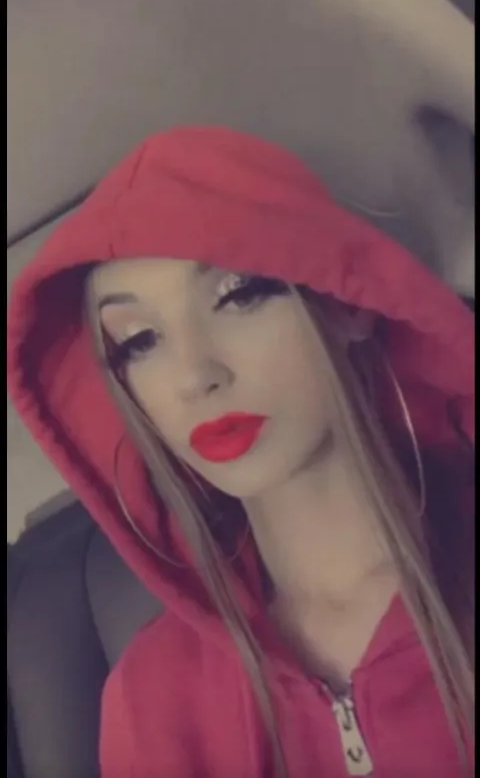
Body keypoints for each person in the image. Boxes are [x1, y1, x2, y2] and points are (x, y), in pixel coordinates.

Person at [7, 127, 474, 777]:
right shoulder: (151, 697)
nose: (195, 374)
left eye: (239, 294)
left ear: (346, 304)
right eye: (138, 340)